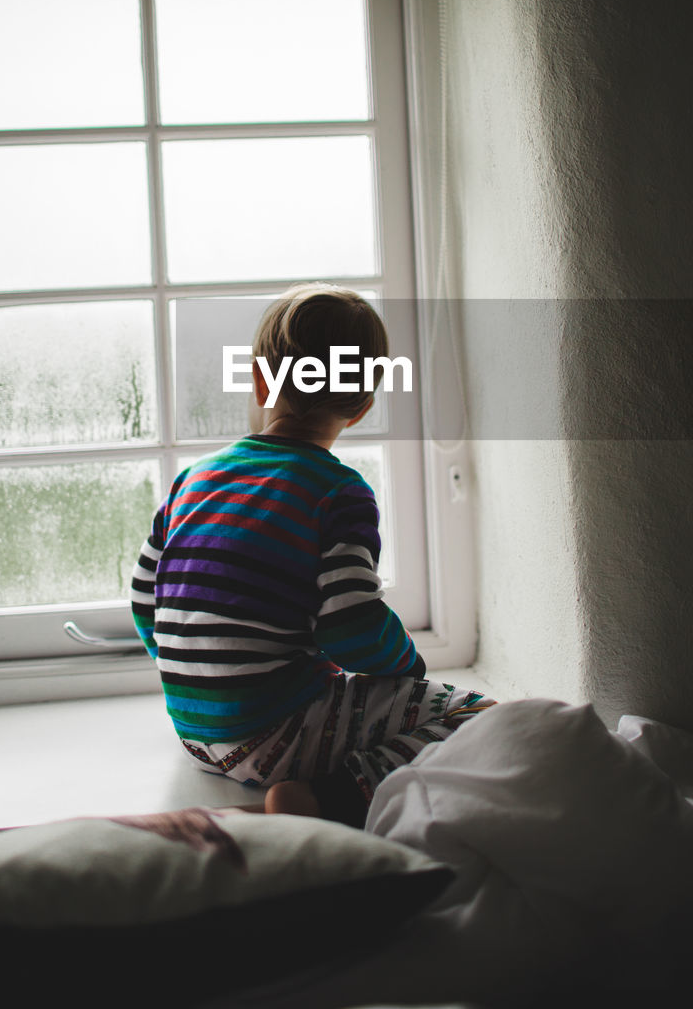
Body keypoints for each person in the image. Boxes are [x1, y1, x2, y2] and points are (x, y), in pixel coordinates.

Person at [131, 283, 495, 826]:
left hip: (194, 735)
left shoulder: (192, 480)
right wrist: (408, 672)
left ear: (259, 381)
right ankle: (333, 796)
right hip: (278, 734)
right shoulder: (338, 491)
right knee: (480, 716)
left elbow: (145, 601)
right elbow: (350, 625)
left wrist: (208, 675)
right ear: (363, 406)